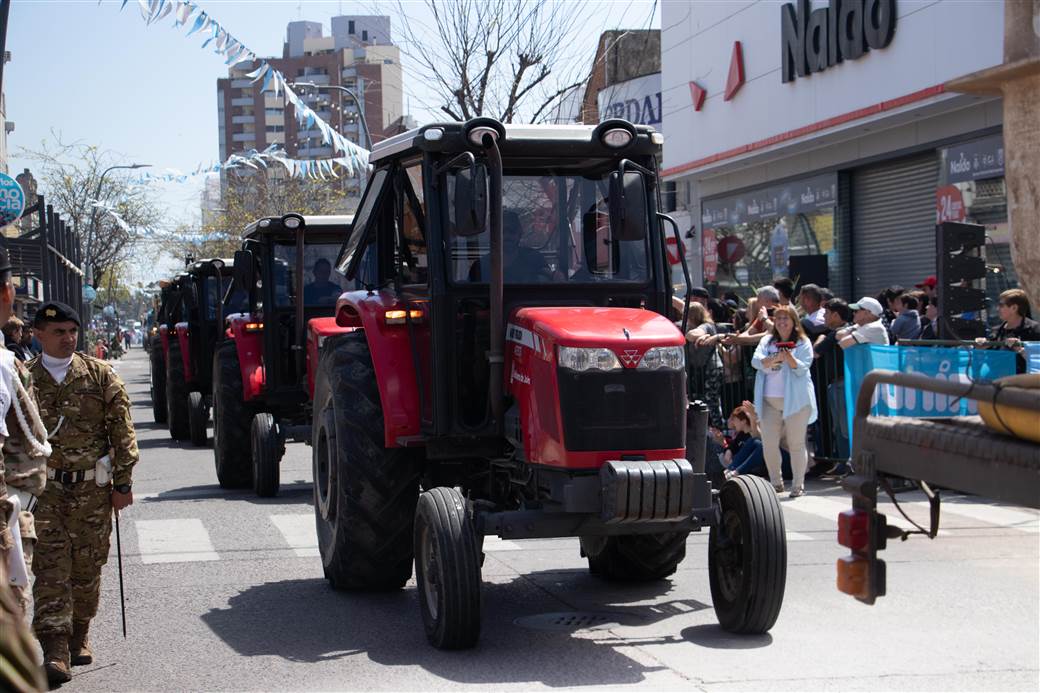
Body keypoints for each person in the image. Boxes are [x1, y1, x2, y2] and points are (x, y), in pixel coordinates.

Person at [29, 302, 140, 686]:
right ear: (38, 335)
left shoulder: (98, 375)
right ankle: (55, 649)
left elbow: (122, 432)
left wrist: (122, 483)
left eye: (71, 331)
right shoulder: (23, 379)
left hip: (92, 491)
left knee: (87, 570)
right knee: (50, 570)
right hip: (44, 492)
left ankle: (80, 630)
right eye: (58, 331)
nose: (67, 338)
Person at [751, 305, 817, 497]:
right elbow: (756, 362)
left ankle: (798, 485)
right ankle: (776, 482)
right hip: (769, 402)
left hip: (796, 401)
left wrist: (788, 358)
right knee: (769, 443)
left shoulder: (803, 342)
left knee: (796, 444)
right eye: (778, 319)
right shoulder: (767, 340)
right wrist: (774, 358)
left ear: (794, 321)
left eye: (785, 319)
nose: (781, 322)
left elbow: (803, 367)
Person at [469, 210, 550, 283]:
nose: (507, 236)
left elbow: (548, 282)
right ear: (492, 235)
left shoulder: (535, 259)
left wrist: (556, 276)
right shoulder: (480, 267)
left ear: (520, 233)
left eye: (512, 230)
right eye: (501, 231)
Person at [683, 302, 725, 430]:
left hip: (711, 369)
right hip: (701, 371)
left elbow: (693, 335)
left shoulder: (707, 326)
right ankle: (707, 430)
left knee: (711, 401)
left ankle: (719, 431)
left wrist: (703, 336)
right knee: (700, 400)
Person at [977, 289, 1040, 372]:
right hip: (996, 380)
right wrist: (980, 348)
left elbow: (1037, 362)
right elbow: (987, 362)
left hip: (1024, 383)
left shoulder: (1035, 329)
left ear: (1014, 308)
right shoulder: (995, 331)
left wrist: (1021, 349)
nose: (997, 309)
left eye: (1001, 305)